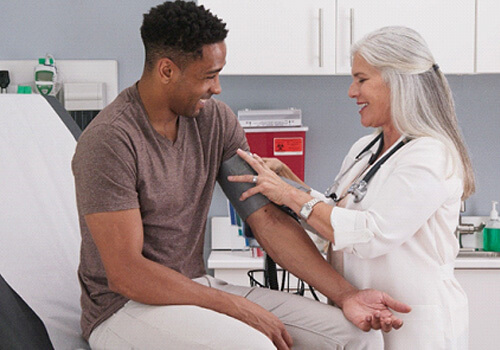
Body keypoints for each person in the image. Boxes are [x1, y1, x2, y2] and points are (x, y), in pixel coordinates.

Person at [72, 2, 411, 349]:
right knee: (254, 345)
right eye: (207, 76)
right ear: (166, 70)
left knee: (352, 336)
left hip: (192, 285)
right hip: (123, 309)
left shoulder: (214, 122)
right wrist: (239, 308)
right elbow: (127, 273)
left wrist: (347, 295)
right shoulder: (109, 141)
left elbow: (268, 220)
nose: (217, 88)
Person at [229, 26, 473, 350]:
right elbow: (338, 213)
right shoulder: (366, 149)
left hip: (417, 327)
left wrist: (291, 194)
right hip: (364, 318)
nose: (351, 92)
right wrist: (287, 182)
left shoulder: (431, 154)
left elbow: (371, 234)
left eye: (361, 79)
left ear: (397, 81)